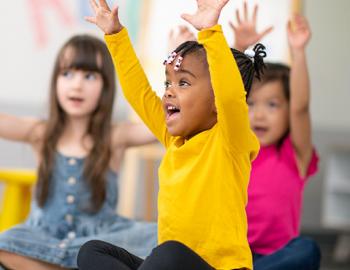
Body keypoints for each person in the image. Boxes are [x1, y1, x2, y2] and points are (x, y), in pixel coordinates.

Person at [78, 0, 266, 269]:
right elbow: (139, 93)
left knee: (169, 254)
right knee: (92, 251)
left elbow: (231, 96)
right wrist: (115, 35)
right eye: (168, 82)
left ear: (216, 102)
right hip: (169, 263)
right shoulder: (173, 139)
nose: (168, 91)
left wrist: (210, 31)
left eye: (184, 82)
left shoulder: (230, 140)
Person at [0, 34, 157, 270]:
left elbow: (164, 124)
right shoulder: (41, 133)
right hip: (41, 238)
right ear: (55, 81)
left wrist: (176, 77)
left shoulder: (115, 136)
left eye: (89, 76)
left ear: (106, 86)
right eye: (67, 74)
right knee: (5, 244)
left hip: (99, 238)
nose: (77, 85)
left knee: (162, 236)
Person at [232, 3, 321, 269]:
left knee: (307, 249)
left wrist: (298, 52)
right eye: (251, 104)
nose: (259, 115)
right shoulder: (236, 151)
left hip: (278, 258)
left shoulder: (295, 154)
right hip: (234, 255)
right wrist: (238, 50)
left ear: (287, 111)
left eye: (272, 105)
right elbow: (226, 97)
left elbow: (301, 107)